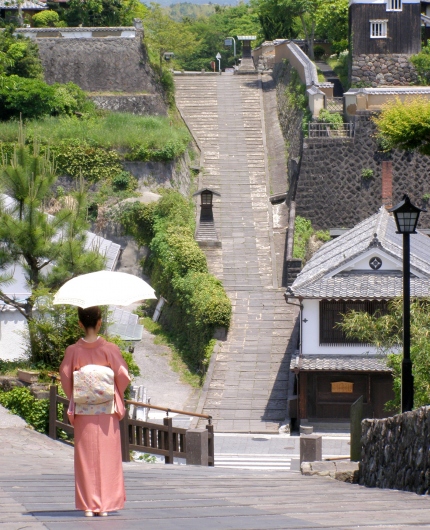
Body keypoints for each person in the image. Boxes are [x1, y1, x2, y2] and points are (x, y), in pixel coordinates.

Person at [59, 306, 130, 517]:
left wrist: (80, 393)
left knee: (85, 458)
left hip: (83, 410)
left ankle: (88, 505)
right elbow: (123, 376)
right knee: (108, 457)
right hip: (106, 410)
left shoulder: (73, 351)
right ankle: (105, 505)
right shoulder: (110, 349)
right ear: (100, 322)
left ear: (80, 323)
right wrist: (109, 391)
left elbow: (65, 377)